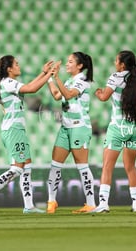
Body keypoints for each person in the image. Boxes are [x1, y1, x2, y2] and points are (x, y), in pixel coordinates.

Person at [0, 55, 57, 214]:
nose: (19, 66)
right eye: (17, 64)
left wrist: (43, 73)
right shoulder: (7, 83)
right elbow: (32, 89)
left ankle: (29, 206)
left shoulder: (8, 83)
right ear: (9, 69)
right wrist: (50, 75)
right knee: (18, 168)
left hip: (17, 129)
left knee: (26, 166)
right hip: (13, 130)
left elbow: (29, 85)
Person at [92, 50, 136, 213]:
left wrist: (98, 92)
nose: (114, 63)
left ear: (122, 65)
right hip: (135, 128)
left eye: (116, 61)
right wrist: (135, 110)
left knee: (107, 166)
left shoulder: (115, 77)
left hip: (118, 127)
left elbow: (104, 97)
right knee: (131, 167)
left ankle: (103, 204)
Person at [46, 52, 96, 214]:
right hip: (65, 128)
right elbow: (56, 95)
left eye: (70, 62)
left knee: (82, 166)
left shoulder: (82, 81)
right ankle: (51, 201)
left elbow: (68, 94)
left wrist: (56, 77)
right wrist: (48, 77)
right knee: (55, 165)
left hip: (79, 128)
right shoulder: (69, 80)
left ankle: (90, 203)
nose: (67, 64)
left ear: (80, 66)